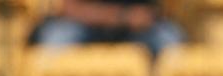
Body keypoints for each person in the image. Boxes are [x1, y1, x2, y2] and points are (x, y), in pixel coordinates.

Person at [27, 0, 185, 55]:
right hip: (84, 26)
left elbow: (152, 11)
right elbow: (70, 9)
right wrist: (123, 17)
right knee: (57, 39)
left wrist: (141, 17)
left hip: (135, 30)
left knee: (170, 38)